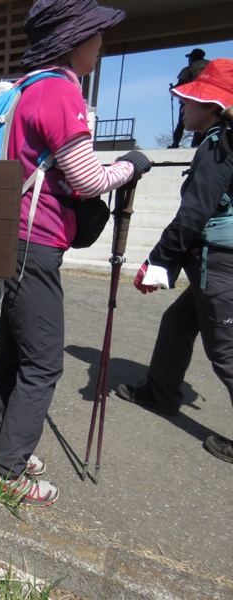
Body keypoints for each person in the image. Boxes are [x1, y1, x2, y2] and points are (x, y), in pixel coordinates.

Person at [0, 0, 151, 507]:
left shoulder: (23, 89)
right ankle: (7, 472)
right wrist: (132, 165)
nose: (101, 44)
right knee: (46, 363)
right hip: (37, 243)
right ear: (74, 40)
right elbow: (88, 179)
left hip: (8, 235)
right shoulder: (58, 92)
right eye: (96, 36)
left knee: (14, 349)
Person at [116, 59, 233, 464]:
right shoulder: (220, 140)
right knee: (178, 322)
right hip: (219, 260)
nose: (183, 107)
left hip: (220, 262)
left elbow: (193, 215)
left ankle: (160, 392)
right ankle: (160, 392)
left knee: (226, 353)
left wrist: (158, 263)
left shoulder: (222, 145)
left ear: (214, 107)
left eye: (190, 100)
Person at [169, 49, 210, 149]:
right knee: (203, 120)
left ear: (193, 57)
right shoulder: (210, 67)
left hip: (189, 100)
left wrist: (172, 88)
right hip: (208, 98)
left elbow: (180, 85)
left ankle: (175, 144)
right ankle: (197, 143)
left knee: (181, 123)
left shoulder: (188, 69)